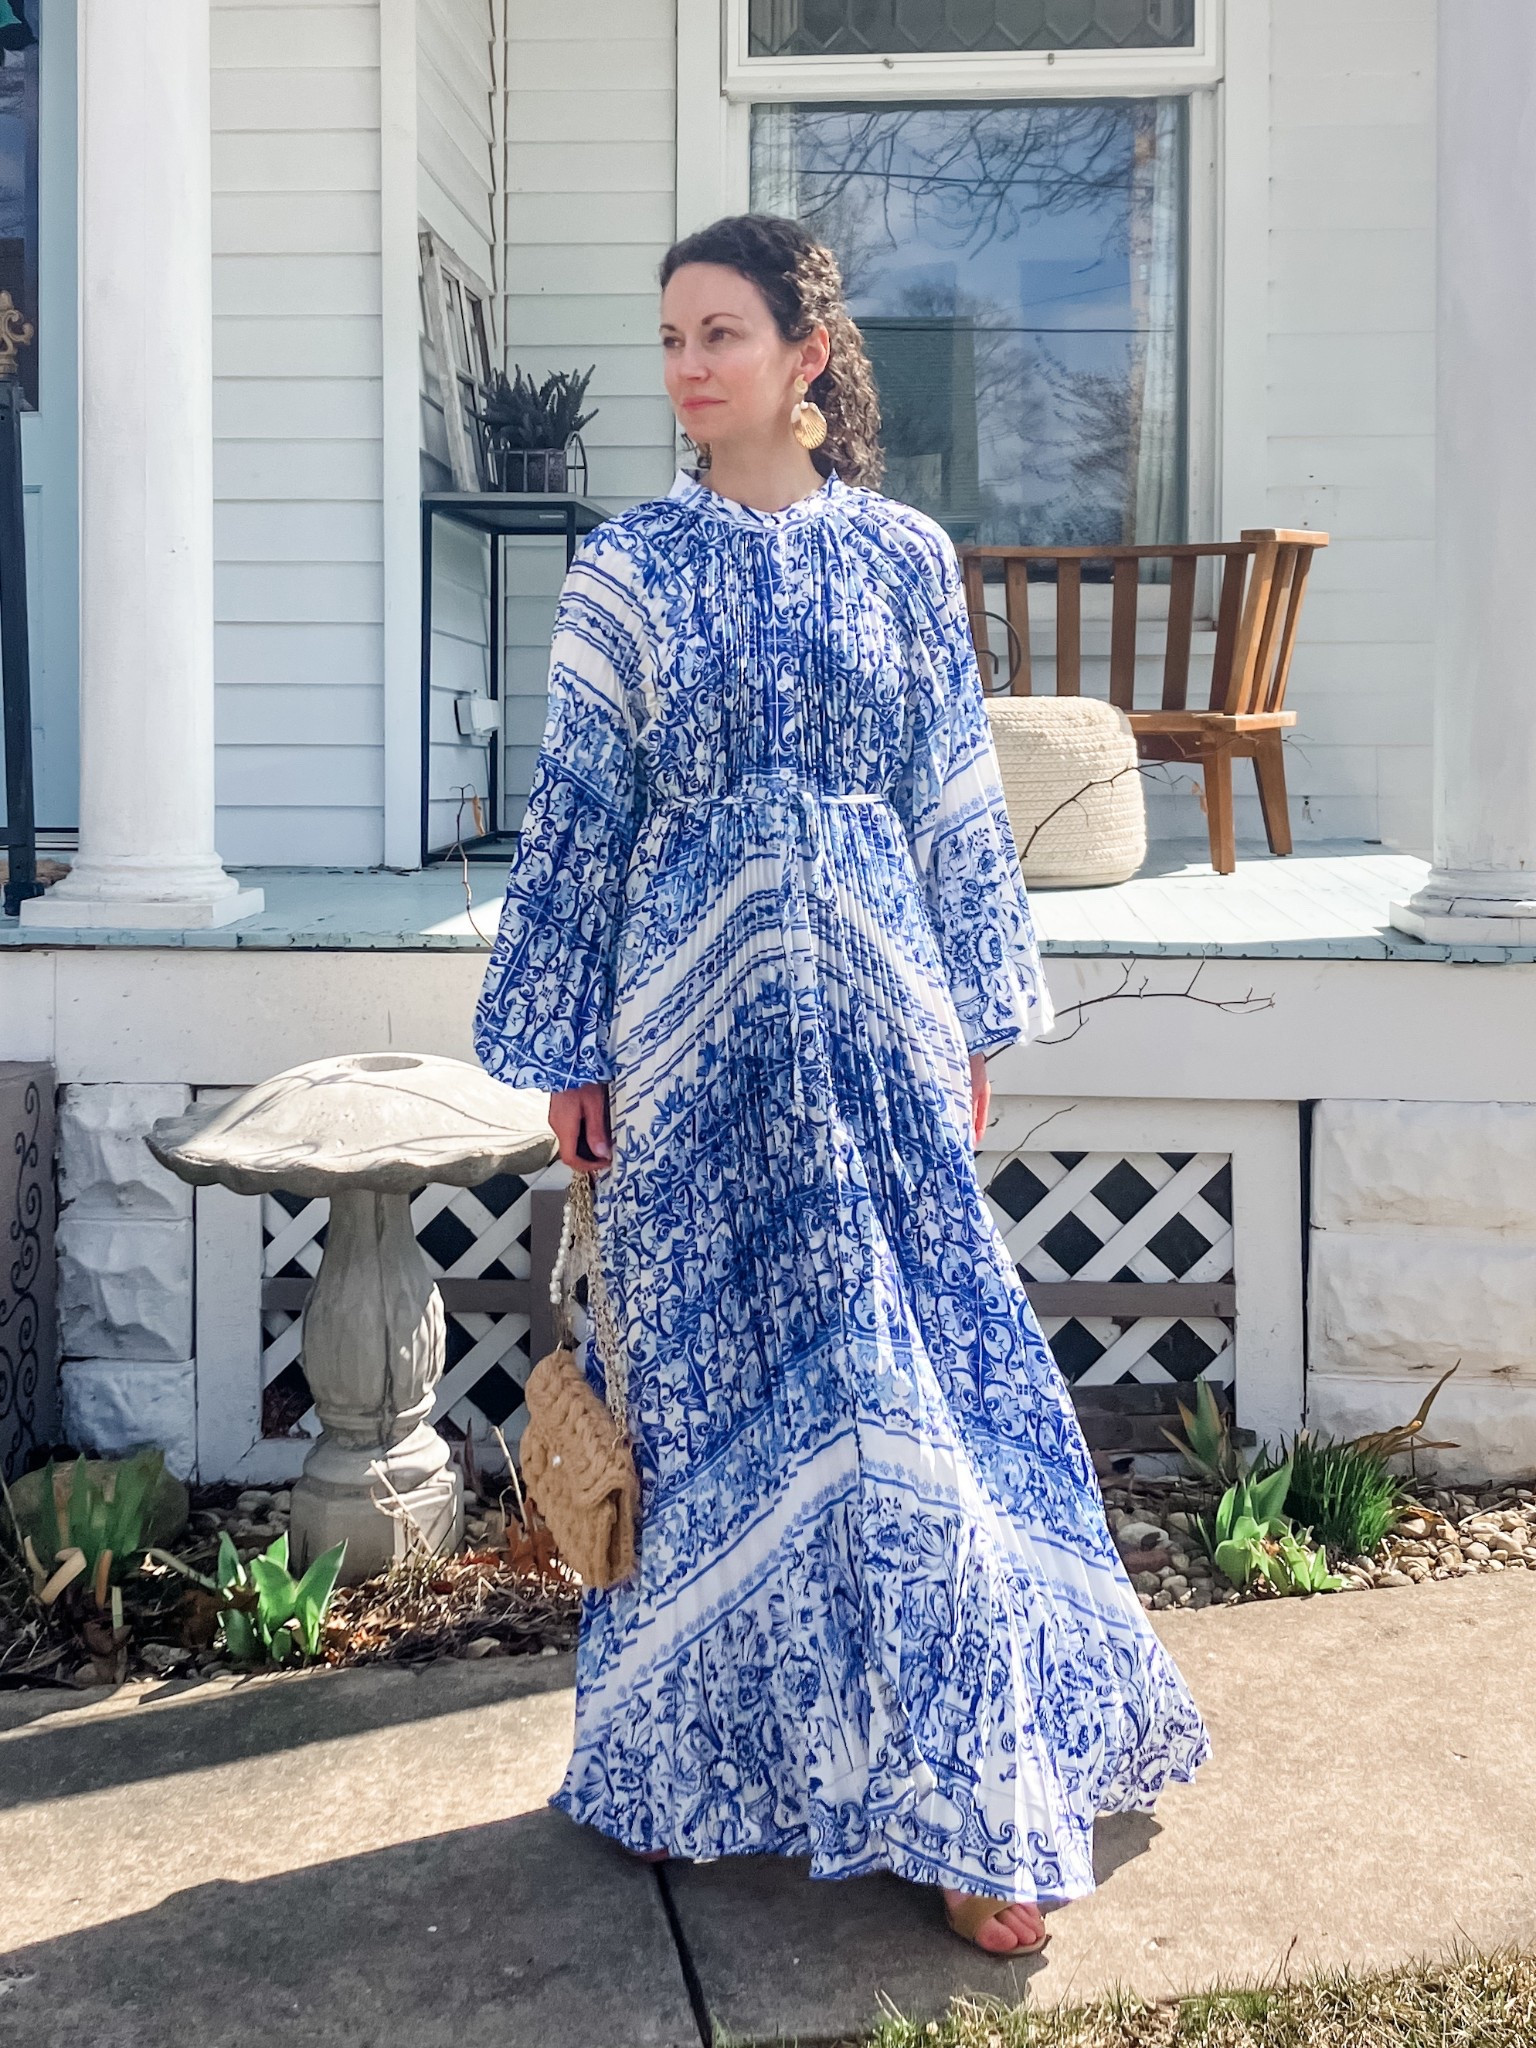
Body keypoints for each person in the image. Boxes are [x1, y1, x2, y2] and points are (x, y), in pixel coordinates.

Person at [474, 212, 1209, 1957]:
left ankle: (970, 1801)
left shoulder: (901, 559)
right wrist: (570, 1045)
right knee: (723, 1406)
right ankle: (714, 1765)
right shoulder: (623, 568)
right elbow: (580, 819)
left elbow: (956, 806)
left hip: (876, 1026)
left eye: (717, 332)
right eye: (667, 337)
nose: (684, 366)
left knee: (906, 1395)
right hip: (686, 1041)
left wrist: (965, 1019)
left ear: (810, 356)